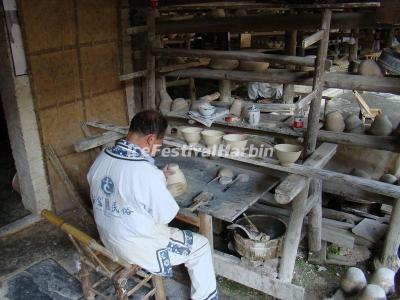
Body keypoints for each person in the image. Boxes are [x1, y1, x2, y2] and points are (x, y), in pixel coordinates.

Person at [87, 110, 217, 300]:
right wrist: (159, 185)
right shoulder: (147, 173)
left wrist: (154, 182)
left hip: (108, 237)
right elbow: (166, 215)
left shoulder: (102, 157)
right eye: (158, 144)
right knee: (201, 246)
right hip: (135, 247)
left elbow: (108, 185)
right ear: (150, 139)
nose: (157, 149)